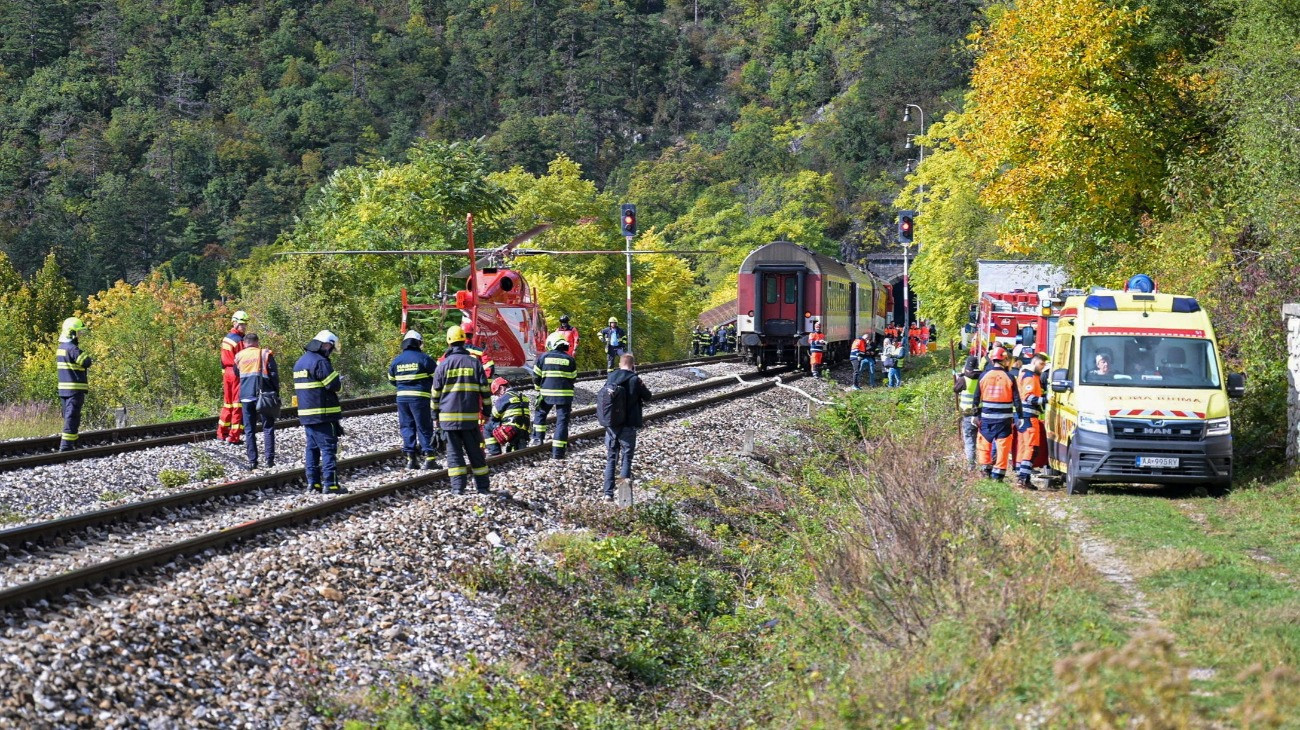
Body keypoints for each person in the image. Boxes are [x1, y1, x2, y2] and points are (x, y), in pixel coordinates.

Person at [432, 326, 492, 494]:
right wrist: (487, 412)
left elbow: (435, 394)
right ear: (464, 340)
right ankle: (483, 487)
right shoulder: (474, 363)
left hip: (448, 419)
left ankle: (458, 489)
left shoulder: (442, 365)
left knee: (454, 454)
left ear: (449, 342)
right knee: (475, 453)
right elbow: (485, 391)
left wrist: (434, 416)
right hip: (470, 418)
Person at [294, 330, 346, 495]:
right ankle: (331, 484)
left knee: (312, 449)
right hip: (323, 415)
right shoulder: (320, 362)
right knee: (328, 449)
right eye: (330, 347)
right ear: (325, 344)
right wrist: (338, 381)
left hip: (307, 415)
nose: (330, 351)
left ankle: (313, 483)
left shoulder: (300, 362)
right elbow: (333, 385)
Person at [602, 353, 653, 500]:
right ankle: (624, 498)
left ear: (620, 364)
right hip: (628, 425)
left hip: (612, 425)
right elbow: (648, 396)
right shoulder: (635, 379)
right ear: (633, 365)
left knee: (611, 458)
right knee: (626, 458)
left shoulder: (611, 377)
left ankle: (607, 494)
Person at [388, 330, 440, 470]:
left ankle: (411, 459)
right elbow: (437, 377)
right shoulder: (424, 359)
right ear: (418, 343)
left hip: (402, 398)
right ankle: (429, 459)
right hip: (420, 398)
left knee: (407, 427)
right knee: (424, 426)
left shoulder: (397, 360)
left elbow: (392, 379)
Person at [973, 346, 1024, 481]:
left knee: (984, 444)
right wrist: (1020, 416)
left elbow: (976, 397)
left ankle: (985, 470)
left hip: (987, 419)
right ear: (1005, 360)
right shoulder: (1009, 377)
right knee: (1003, 446)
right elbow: (1017, 399)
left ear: (992, 359)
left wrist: (974, 415)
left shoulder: (983, 376)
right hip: (1005, 420)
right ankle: (998, 475)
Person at [234, 333, 279, 470]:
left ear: (245, 343)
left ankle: (253, 461)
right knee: (268, 427)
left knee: (249, 430)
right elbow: (273, 374)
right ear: (257, 342)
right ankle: (269, 460)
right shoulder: (265, 353)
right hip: (264, 395)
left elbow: (236, 373)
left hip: (246, 396)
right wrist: (276, 392)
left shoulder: (239, 356)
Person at [531, 331, 578, 459]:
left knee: (540, 414)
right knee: (562, 422)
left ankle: (537, 439)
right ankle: (558, 452)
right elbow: (573, 377)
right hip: (565, 396)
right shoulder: (570, 359)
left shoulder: (543, 357)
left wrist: (538, 388)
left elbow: (536, 376)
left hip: (546, 394)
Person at [55, 317, 92, 451]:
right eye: (78, 332)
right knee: (72, 417)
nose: (79, 335)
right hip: (75, 390)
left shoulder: (61, 348)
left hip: (63, 390)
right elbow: (87, 361)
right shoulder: (73, 349)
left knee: (69, 416)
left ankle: (74, 443)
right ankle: (66, 446)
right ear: (71, 333)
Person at [1016, 352, 1050, 489]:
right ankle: (1023, 478)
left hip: (1024, 416)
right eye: (1041, 364)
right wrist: (1046, 400)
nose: (1042, 367)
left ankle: (1021, 476)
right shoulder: (1030, 376)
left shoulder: (1029, 375)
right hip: (1029, 416)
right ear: (1034, 362)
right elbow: (1028, 397)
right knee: (1031, 448)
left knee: (1024, 447)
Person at [218, 311, 250, 444]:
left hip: (226, 372)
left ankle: (222, 433)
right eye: (242, 324)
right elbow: (243, 358)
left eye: (245, 324)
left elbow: (222, 359)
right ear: (235, 323)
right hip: (236, 372)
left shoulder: (226, 338)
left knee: (228, 403)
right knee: (237, 404)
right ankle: (234, 436)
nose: (244, 327)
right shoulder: (239, 341)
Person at [486, 377, 531, 455]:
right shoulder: (522, 396)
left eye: (497, 393)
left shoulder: (504, 398)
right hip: (526, 430)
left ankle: (495, 453)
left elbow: (494, 416)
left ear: (501, 388)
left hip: (510, 430)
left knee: (487, 427)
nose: (498, 396)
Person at [953, 355, 981, 469]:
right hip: (981, 413)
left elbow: (956, 389)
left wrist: (960, 376)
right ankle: (985, 464)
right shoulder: (982, 377)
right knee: (983, 440)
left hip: (968, 414)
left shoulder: (964, 379)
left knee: (969, 440)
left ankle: (971, 465)